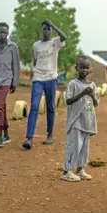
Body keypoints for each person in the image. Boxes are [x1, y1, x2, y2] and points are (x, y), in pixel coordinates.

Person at [22, 20, 66, 150]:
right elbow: (37, 59)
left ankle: (50, 135)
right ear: (41, 30)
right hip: (38, 79)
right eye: (44, 29)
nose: (46, 31)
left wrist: (54, 25)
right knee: (34, 106)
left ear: (51, 30)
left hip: (52, 79)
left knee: (50, 107)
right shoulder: (36, 45)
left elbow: (64, 37)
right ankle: (29, 138)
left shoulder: (55, 42)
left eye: (48, 29)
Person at [61, 55, 99, 182]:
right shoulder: (73, 84)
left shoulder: (93, 85)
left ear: (90, 69)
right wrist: (83, 93)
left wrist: (92, 94)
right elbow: (68, 100)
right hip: (76, 120)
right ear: (76, 68)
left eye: (86, 68)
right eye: (82, 67)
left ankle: (80, 169)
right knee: (74, 145)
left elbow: (96, 103)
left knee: (84, 148)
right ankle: (66, 171)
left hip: (88, 120)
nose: (84, 70)